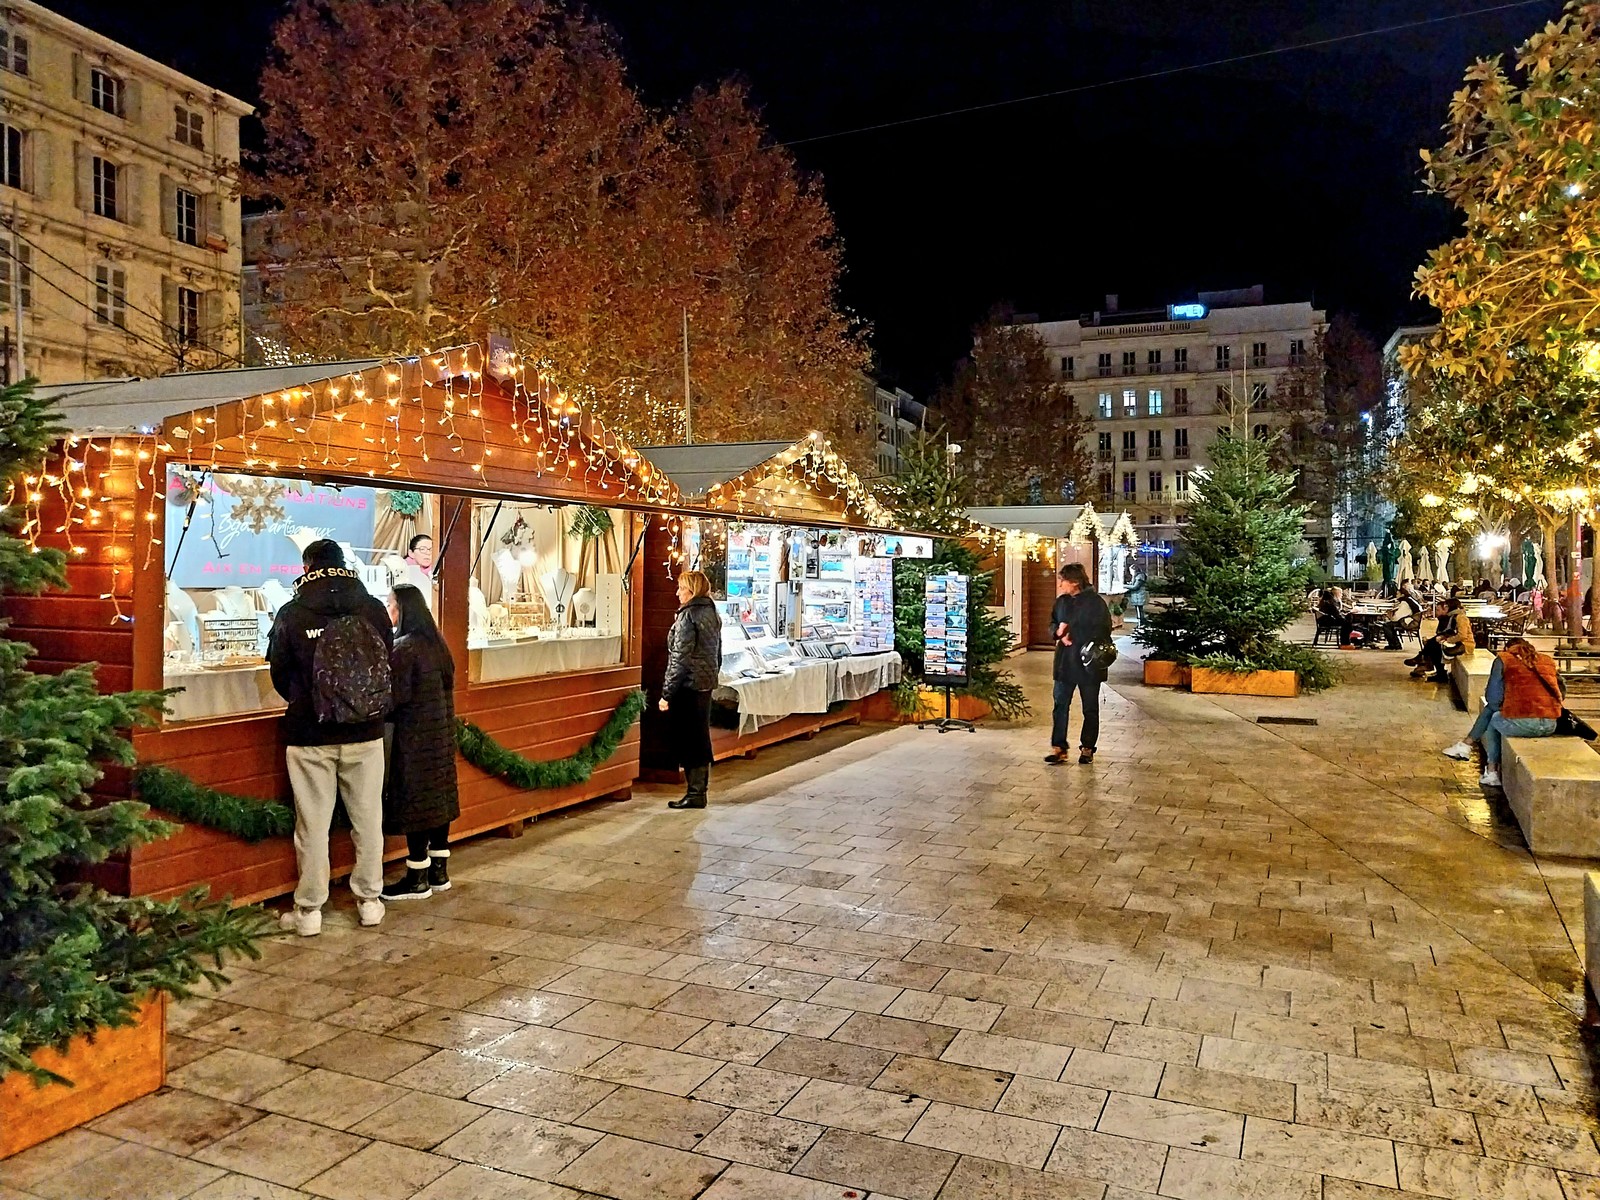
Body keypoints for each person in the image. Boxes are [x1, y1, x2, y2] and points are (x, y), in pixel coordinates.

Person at [266, 540, 394, 936]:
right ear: (343, 564)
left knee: (313, 825)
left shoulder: (293, 611)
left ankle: (309, 911)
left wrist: (307, 701)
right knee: (368, 819)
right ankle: (369, 902)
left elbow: (279, 673)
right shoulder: (372, 607)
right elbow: (386, 659)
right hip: (366, 732)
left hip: (310, 734)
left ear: (307, 567)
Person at [379, 584, 461, 902]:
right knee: (438, 801)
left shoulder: (404, 648)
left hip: (413, 738)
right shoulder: (438, 645)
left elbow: (394, 698)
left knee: (417, 803)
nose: (388, 610)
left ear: (403, 610)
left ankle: (417, 879)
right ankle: (439, 873)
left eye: (391, 604)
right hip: (440, 736)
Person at [1442, 638, 1561, 788]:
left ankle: (1490, 770)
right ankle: (1465, 746)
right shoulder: (1546, 660)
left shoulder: (1504, 659)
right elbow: (1561, 691)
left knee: (1494, 718)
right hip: (1550, 724)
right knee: (1496, 713)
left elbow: (1493, 699)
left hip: (1526, 724)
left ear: (1507, 648)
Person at [660, 569, 721, 809]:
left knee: (690, 739)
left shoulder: (688, 616)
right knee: (700, 736)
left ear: (692, 591)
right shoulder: (711, 612)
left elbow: (679, 658)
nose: (677, 593)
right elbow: (717, 652)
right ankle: (698, 791)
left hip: (688, 686)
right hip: (705, 684)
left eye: (681, 588)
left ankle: (695, 793)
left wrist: (667, 693)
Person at [1046, 561, 1113, 765]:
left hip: (1088, 665)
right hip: (1065, 663)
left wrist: (1074, 635)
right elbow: (1052, 623)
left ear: (1074, 582)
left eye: (1063, 580)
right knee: (1060, 705)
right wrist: (1058, 633)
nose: (1060, 585)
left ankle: (1087, 747)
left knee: (1090, 708)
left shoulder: (1096, 603)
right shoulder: (1061, 602)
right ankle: (1059, 748)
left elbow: (1104, 632)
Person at [1406, 596, 1475, 682]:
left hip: (1465, 645)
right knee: (1434, 644)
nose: (1445, 608)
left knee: (1435, 646)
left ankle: (1435, 669)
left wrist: (1447, 640)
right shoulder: (1454, 616)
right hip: (1459, 643)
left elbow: (1462, 635)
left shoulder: (1461, 617)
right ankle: (1436, 669)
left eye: (1446, 606)